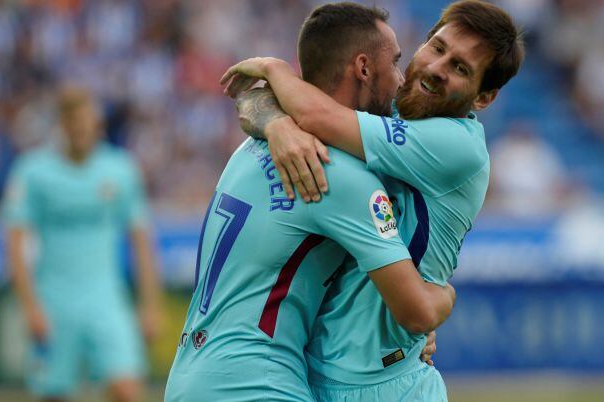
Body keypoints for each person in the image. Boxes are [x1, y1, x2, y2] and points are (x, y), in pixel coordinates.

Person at [222, 1, 524, 400]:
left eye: (460, 69)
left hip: (387, 385)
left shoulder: (457, 146)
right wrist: (277, 124)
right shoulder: (394, 111)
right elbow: (248, 93)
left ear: (483, 99)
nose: (436, 69)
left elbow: (312, 113)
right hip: (317, 377)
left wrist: (275, 69)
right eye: (437, 47)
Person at [164, 4, 455, 401]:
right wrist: (443, 298)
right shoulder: (334, 172)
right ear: (364, 68)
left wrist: (274, 118)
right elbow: (416, 311)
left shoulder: (254, 144)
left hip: (192, 376)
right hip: (258, 383)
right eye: (397, 62)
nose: (402, 78)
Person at [3, 86, 163, 402]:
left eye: (85, 122)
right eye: (72, 123)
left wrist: (150, 305)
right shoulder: (33, 172)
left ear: (96, 123)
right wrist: (30, 306)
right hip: (53, 300)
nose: (80, 131)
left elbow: (142, 241)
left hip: (106, 298)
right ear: (61, 125)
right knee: (54, 394)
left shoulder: (120, 170)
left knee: (126, 388)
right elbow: (15, 242)